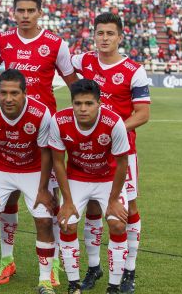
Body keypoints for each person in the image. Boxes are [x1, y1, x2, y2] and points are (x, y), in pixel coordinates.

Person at [0, 0, 78, 286]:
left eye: (30, 11)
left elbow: (72, 82)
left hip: (45, 131)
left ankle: (49, 267)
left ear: (40, 13)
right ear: (13, 13)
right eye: (20, 11)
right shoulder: (2, 41)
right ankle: (7, 260)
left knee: (46, 202)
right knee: (7, 200)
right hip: (10, 129)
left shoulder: (55, 43)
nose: (25, 15)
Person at [70, 13, 151, 293]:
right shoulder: (83, 61)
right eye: (100, 33)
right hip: (88, 151)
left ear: (120, 37)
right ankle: (94, 267)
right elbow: (61, 69)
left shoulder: (133, 70)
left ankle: (129, 271)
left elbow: (143, 113)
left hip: (122, 153)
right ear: (93, 35)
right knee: (93, 208)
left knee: (128, 210)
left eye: (110, 34)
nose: (104, 38)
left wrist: (111, 131)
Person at [0, 69, 56, 294]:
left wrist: (42, 189)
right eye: (3, 93)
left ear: (25, 93)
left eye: (14, 93)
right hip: (0, 168)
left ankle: (45, 281)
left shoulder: (41, 113)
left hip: (33, 168)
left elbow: (47, 152)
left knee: (45, 221)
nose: (8, 98)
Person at [49, 79, 130, 294]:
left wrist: (113, 201)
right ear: (72, 103)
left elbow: (123, 163)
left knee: (118, 225)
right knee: (67, 223)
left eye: (88, 103)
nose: (82, 109)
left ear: (99, 104)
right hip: (77, 178)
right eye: (77, 103)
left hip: (109, 179)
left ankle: (113, 286)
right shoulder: (59, 120)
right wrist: (66, 201)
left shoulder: (114, 122)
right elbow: (58, 161)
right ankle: (73, 285)